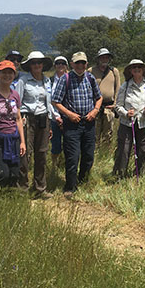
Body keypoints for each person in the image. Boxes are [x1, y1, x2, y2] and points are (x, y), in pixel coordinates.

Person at [51, 51, 102, 198]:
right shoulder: (65, 79)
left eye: (83, 63)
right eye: (77, 63)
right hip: (72, 124)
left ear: (86, 64)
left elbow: (99, 97)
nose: (80, 65)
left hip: (89, 122)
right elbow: (55, 101)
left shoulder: (90, 78)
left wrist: (95, 110)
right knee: (72, 156)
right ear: (72, 64)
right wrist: (69, 114)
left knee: (88, 155)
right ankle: (70, 186)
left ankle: (83, 181)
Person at [16, 51, 55, 199]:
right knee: (25, 154)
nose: (37, 65)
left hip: (43, 119)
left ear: (43, 65)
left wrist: (50, 122)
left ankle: (40, 188)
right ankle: (22, 188)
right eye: (34, 63)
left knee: (42, 153)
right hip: (28, 119)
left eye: (39, 62)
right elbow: (17, 104)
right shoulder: (23, 81)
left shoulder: (47, 81)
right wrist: (19, 121)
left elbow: (48, 103)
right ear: (30, 65)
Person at [113, 60, 145, 178]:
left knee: (144, 149)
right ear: (130, 70)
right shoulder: (125, 85)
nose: (137, 69)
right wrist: (126, 113)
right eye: (134, 67)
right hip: (127, 123)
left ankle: (139, 173)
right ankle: (120, 174)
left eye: (139, 67)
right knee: (124, 149)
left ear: (144, 70)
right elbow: (118, 106)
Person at [88, 48, 120, 147]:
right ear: (98, 58)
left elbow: (118, 88)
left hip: (109, 106)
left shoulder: (114, 71)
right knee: (95, 132)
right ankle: (95, 152)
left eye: (106, 57)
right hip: (95, 107)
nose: (104, 59)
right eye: (102, 57)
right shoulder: (91, 71)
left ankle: (106, 152)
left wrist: (115, 104)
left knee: (108, 132)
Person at [50, 56, 68, 167]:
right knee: (55, 143)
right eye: (58, 63)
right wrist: (56, 116)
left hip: (68, 116)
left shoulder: (71, 79)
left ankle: (66, 163)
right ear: (54, 66)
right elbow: (49, 99)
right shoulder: (50, 81)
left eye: (63, 63)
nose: (60, 65)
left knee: (69, 142)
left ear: (67, 66)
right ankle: (54, 165)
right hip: (54, 117)